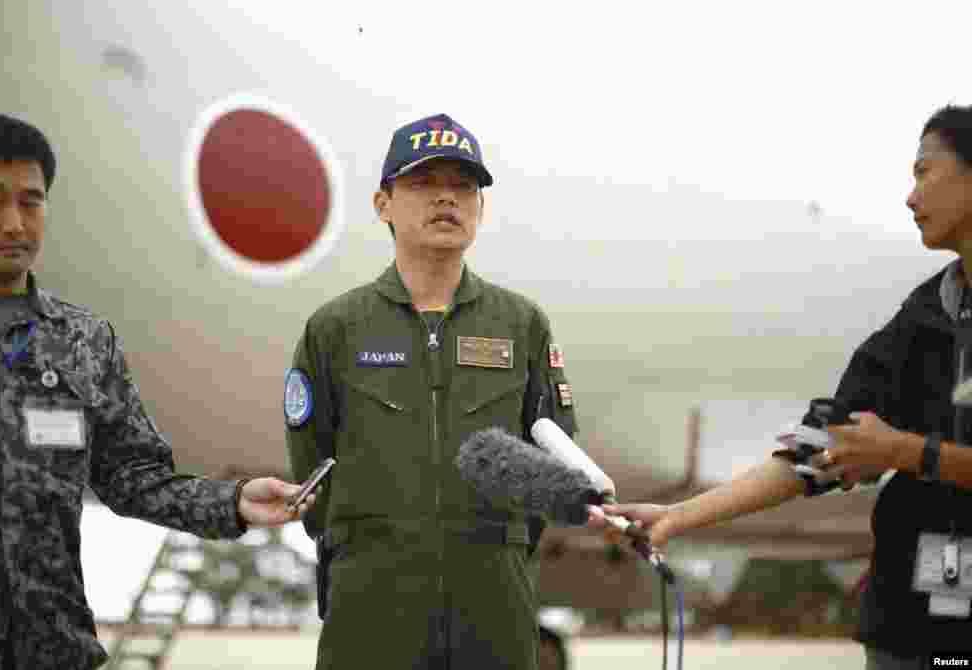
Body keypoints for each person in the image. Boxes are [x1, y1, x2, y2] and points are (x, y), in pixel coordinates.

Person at [595, 104, 972, 667]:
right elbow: (820, 449)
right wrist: (678, 516)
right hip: (911, 632)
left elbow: (892, 450)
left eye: (923, 172)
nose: (909, 196)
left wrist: (909, 453)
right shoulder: (924, 315)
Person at [0, 114, 316, 670]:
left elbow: (131, 477)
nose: (15, 223)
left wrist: (232, 501)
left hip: (54, 650)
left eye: (31, 202)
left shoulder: (83, 341)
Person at [286, 113, 578, 669]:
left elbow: (553, 462)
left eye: (463, 186)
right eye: (423, 182)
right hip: (372, 610)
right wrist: (379, 544)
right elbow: (313, 472)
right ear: (383, 204)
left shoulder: (521, 326)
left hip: (494, 613)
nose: (447, 197)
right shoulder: (337, 328)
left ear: (480, 208)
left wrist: (494, 547)